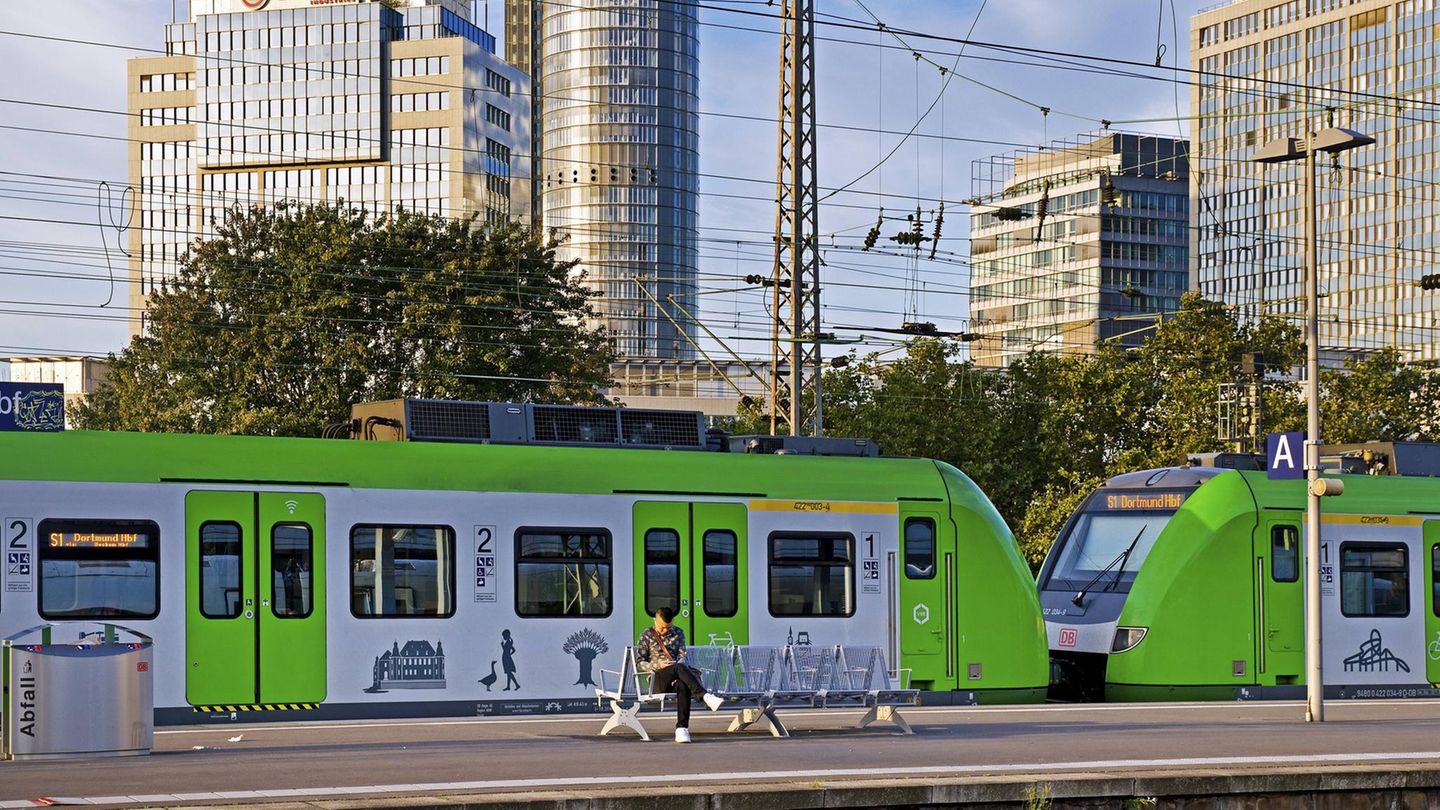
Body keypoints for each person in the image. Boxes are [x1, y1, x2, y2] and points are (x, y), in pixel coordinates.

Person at [635, 606, 723, 742]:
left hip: (677, 676)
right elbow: (639, 662)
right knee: (678, 667)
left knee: (683, 683)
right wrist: (658, 665)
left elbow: (683, 656)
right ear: (655, 620)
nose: (665, 631)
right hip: (657, 680)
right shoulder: (646, 635)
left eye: (668, 628)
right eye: (662, 627)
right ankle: (705, 696)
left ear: (673, 622)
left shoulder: (678, 633)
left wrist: (677, 666)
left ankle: (682, 729)